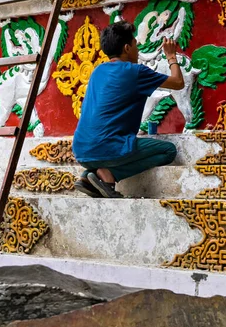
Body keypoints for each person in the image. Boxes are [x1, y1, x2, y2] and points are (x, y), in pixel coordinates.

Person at [72, 20, 184, 198]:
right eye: (135, 45)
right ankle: (109, 175)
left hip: (80, 150)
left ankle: (89, 176)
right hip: (108, 148)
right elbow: (178, 82)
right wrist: (171, 55)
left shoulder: (97, 71)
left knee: (107, 150)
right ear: (126, 48)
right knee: (168, 150)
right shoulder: (136, 71)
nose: (137, 49)